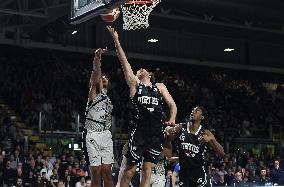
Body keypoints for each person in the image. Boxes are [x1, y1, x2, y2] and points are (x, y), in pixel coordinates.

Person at [107, 26, 177, 187]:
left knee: (147, 171)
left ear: (150, 75)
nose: (140, 69)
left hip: (156, 133)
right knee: (130, 171)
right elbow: (124, 62)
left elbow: (172, 105)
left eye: (143, 69)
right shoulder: (135, 84)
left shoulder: (160, 86)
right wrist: (116, 41)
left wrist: (172, 118)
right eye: (138, 70)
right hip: (139, 132)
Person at [168, 106, 225, 186]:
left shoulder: (205, 132)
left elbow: (222, 153)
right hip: (184, 173)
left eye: (197, 111)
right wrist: (168, 132)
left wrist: (211, 140)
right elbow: (167, 140)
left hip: (199, 173)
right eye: (192, 110)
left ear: (202, 117)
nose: (193, 112)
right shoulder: (181, 127)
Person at [82, 47, 114, 187]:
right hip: (92, 135)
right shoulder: (93, 93)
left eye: (106, 78)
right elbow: (96, 73)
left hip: (106, 135)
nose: (104, 78)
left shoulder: (108, 99)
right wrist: (97, 59)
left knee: (107, 173)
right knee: (95, 173)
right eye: (102, 77)